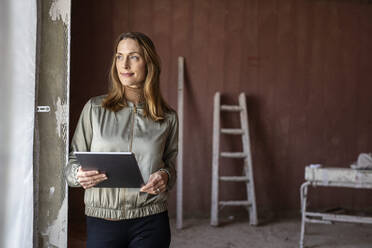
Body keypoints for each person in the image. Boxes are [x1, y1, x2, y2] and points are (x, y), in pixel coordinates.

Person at [64, 32, 178, 248]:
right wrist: (78, 175)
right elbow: (72, 164)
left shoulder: (167, 117)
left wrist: (165, 176)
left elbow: (170, 168)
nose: (124, 64)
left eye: (134, 56)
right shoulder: (94, 109)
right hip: (103, 221)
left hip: (151, 221)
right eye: (119, 56)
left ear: (148, 62)